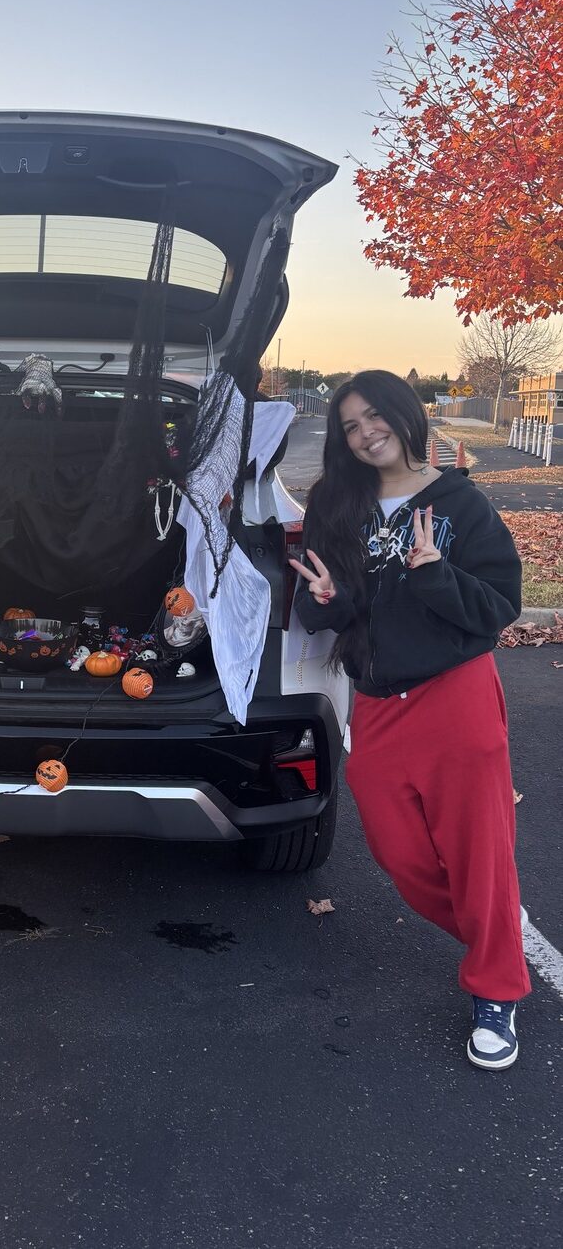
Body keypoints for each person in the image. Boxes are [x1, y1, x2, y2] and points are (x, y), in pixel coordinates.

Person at [290, 370, 529, 1070]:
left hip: (454, 693)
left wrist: (433, 572)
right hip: (378, 698)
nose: (365, 434)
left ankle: (495, 990)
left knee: (477, 852)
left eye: (373, 417)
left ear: (401, 414)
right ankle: (494, 936)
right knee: (399, 853)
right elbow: (318, 608)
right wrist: (330, 598)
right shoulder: (338, 504)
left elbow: (498, 606)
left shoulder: (459, 502)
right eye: (350, 427)